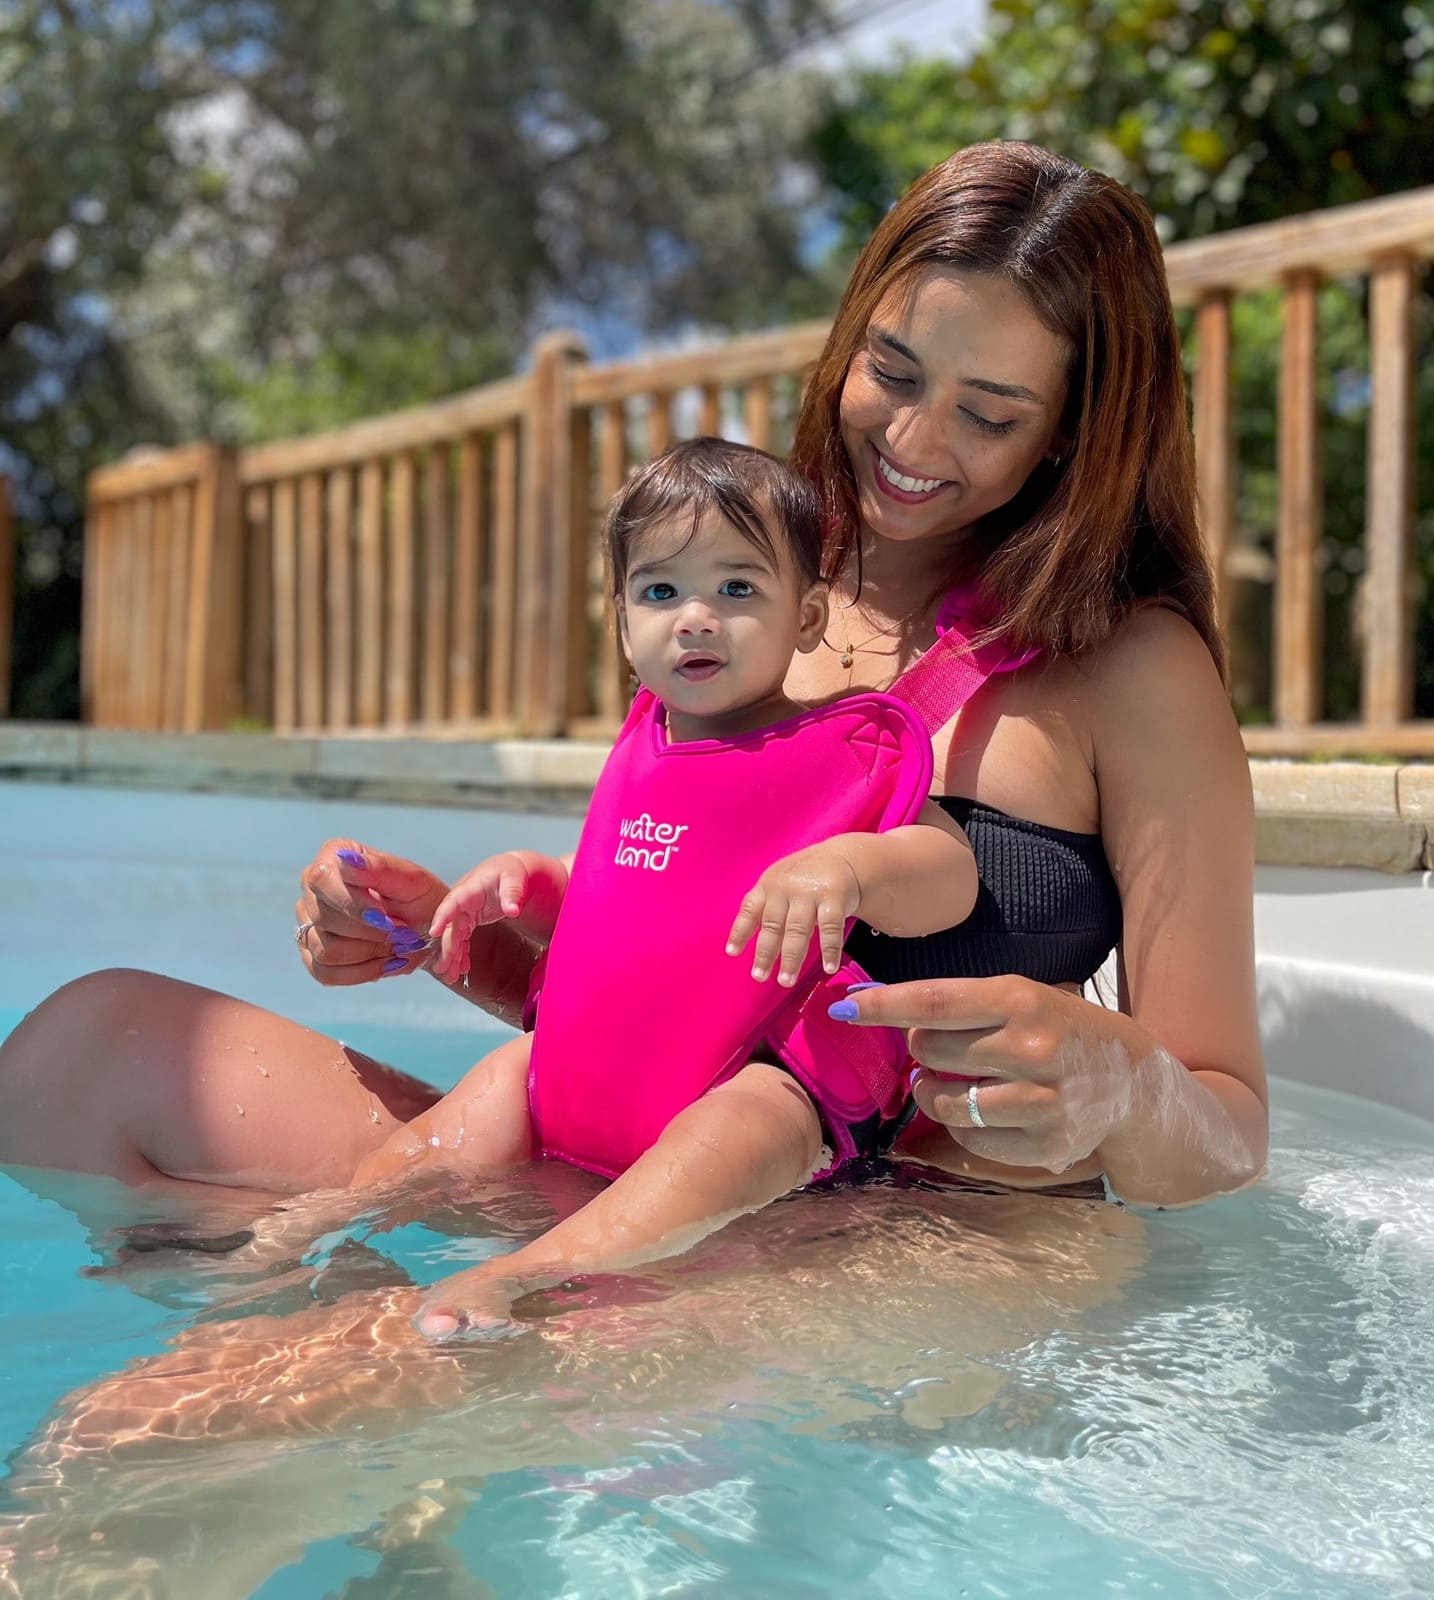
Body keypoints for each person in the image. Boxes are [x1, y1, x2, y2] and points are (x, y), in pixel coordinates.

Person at [0, 140, 1267, 1281]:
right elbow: (674, 989)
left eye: (988, 413)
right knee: (81, 1051)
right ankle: (333, 1324)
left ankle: (355, 1341)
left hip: (887, 1236)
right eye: (890, 370)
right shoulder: (747, 592)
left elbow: (1226, 1133)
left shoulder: (1128, 669)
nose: (915, 438)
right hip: (622, 1165)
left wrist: (1121, 1085)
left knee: (292, 1386)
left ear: (1072, 436)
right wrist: (462, 941)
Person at [345, 437, 979, 1337]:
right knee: (494, 1084)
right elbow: (623, 896)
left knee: (755, 1121)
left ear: (806, 618)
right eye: (660, 592)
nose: (695, 619)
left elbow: (951, 876)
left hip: (747, 1074)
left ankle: (530, 1269)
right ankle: (328, 1216)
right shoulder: (647, 745)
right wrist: (530, 883)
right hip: (588, 1073)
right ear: (622, 621)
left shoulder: (840, 756)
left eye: (737, 589)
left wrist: (851, 869)